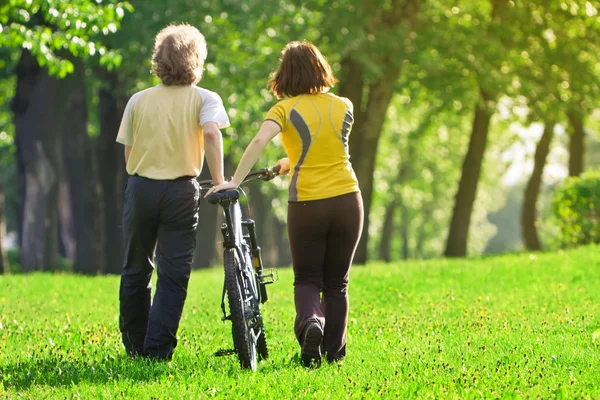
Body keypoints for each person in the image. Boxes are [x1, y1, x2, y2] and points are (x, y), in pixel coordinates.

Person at [206, 41, 363, 367]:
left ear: (285, 74)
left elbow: (260, 140)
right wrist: (283, 164)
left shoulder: (284, 109)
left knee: (307, 278)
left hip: (307, 204)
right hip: (349, 200)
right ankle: (334, 356)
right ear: (321, 68)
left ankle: (311, 324)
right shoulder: (344, 105)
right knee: (337, 283)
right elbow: (324, 150)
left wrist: (233, 181)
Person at [116, 24, 230, 361]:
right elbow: (211, 133)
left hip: (140, 188)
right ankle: (158, 349)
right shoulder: (205, 98)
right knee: (173, 273)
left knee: (136, 268)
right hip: (181, 191)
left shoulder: (138, 100)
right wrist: (220, 179)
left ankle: (135, 345)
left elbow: (129, 154)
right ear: (196, 61)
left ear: (158, 61)